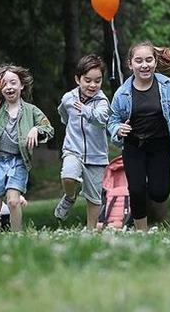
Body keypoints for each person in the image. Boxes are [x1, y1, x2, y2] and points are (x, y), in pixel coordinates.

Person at [107, 41, 170, 231]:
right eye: (139, 61)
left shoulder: (168, 86)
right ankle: (141, 231)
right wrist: (118, 129)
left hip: (160, 145)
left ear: (155, 62)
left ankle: (148, 192)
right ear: (130, 64)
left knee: (159, 193)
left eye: (148, 60)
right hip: (134, 146)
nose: (144, 65)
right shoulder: (122, 93)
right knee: (136, 189)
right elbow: (112, 120)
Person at [0, 65, 54, 232]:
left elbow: (49, 129)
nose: (9, 87)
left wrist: (36, 130)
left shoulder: (31, 110)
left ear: (21, 85)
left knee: (13, 201)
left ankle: (17, 235)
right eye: (4, 84)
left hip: (18, 162)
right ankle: (0, 198)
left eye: (13, 83)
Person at [54, 55, 111, 229]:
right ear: (78, 79)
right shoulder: (68, 98)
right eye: (88, 80)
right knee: (68, 176)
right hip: (73, 149)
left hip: (96, 155)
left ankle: (91, 230)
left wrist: (85, 110)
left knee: (93, 197)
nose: (92, 85)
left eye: (97, 81)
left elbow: (101, 119)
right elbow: (64, 115)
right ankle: (70, 197)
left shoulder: (102, 101)